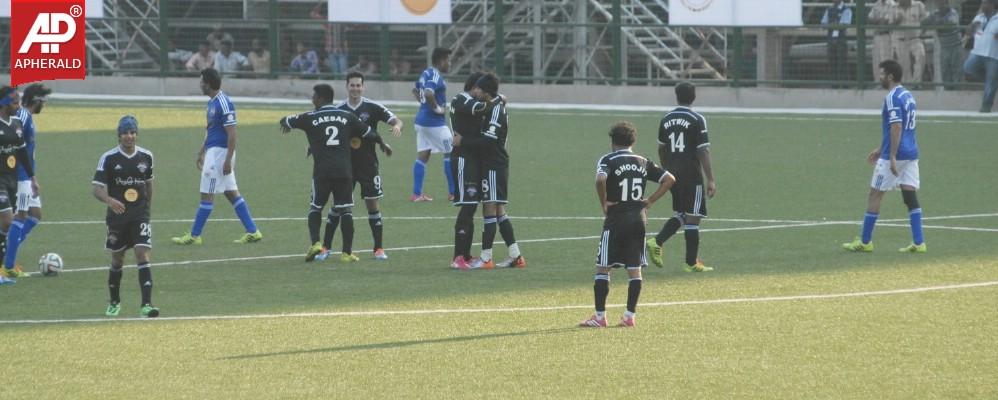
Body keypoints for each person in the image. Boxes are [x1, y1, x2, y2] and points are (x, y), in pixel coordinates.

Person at [580, 121, 675, 328]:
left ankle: (599, 316)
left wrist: (604, 201)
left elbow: (600, 180)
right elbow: (669, 179)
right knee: (634, 270)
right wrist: (650, 200)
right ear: (633, 141)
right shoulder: (643, 161)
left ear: (613, 141)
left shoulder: (608, 159)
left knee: (602, 268)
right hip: (638, 220)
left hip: (616, 220)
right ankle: (629, 316)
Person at [279, 84, 386, 262]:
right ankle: (346, 252)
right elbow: (369, 133)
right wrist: (382, 143)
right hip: (344, 170)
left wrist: (287, 124)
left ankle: (316, 243)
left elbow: (286, 120)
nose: (312, 99)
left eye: (314, 96)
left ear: (321, 98)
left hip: (321, 171)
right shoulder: (346, 116)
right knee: (346, 211)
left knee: (316, 207)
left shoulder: (310, 117)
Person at [843, 60, 926, 254]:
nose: (878, 77)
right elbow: (902, 126)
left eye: (881, 74)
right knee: (909, 195)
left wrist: (892, 155)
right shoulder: (908, 95)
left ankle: (865, 241)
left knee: (875, 194)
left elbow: (896, 126)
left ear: (889, 76)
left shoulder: (892, 97)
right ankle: (919, 242)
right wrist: (881, 148)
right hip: (911, 152)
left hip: (896, 155)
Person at [172, 69, 262, 246]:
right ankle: (253, 231)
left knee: (206, 195)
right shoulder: (211, 103)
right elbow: (211, 129)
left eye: (201, 81)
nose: (199, 84)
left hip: (220, 155)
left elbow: (232, 134)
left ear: (208, 83)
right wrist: (202, 150)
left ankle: (194, 235)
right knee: (231, 193)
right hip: (214, 153)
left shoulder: (224, 103)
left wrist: (227, 160)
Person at [316, 72, 401, 261]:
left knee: (372, 203)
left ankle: (378, 248)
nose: (355, 88)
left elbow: (396, 120)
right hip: (344, 166)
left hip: (368, 164)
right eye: (352, 85)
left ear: (363, 87)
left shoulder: (372, 107)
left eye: (358, 85)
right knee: (338, 206)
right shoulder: (339, 109)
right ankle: (326, 248)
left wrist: (396, 127)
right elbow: (322, 130)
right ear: (346, 87)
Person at [92, 116, 159, 317]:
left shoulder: (146, 156)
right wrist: (110, 200)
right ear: (119, 135)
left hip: (140, 214)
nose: (129, 136)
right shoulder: (109, 158)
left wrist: (147, 210)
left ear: (136, 134)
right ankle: (114, 302)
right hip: (117, 217)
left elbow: (148, 184)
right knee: (117, 260)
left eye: (132, 132)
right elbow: (96, 188)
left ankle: (146, 305)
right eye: (125, 133)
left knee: (142, 254)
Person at [645, 82, 716, 273]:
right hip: (691, 174)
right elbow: (703, 151)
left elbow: (661, 147)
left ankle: (657, 241)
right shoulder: (697, 119)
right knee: (694, 217)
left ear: (676, 96)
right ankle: (690, 262)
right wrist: (710, 178)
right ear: (693, 97)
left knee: (682, 214)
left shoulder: (666, 118)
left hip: (672, 173)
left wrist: (666, 169)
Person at [466, 74, 525, 270]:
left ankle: (485, 258)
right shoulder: (492, 106)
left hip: (494, 164)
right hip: (493, 164)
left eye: (478, 90)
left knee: (489, 209)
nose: (476, 93)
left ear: (486, 92)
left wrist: (463, 143)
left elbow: (489, 140)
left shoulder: (495, 111)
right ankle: (516, 256)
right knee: (499, 211)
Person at [6, 84, 49, 275]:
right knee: (21, 216)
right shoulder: (21, 116)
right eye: (43, 102)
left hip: (27, 176)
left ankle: (8, 251)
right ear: (36, 101)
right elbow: (12, 144)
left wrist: (34, 177)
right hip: (19, 176)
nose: (44, 106)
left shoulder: (27, 117)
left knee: (35, 215)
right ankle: (8, 266)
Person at [448, 71, 488, 269]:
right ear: (475, 87)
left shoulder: (470, 101)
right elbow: (480, 108)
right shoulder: (461, 99)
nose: (484, 93)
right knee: (467, 206)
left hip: (472, 159)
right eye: (483, 89)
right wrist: (498, 100)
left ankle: (466, 254)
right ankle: (457, 257)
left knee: (471, 207)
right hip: (462, 160)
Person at [410, 47, 456, 202]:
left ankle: (416, 194)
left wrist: (424, 105)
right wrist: (437, 108)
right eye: (448, 60)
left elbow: (415, 90)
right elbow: (429, 93)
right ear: (441, 60)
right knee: (451, 151)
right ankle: (453, 193)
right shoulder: (435, 75)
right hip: (433, 122)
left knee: (424, 154)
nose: (449, 63)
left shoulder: (426, 73)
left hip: (421, 121)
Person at [0, 87, 35, 284]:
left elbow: (22, 152)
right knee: (7, 220)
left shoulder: (16, 124)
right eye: (14, 103)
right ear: (4, 104)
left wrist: (32, 178)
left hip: (12, 180)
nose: (18, 106)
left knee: (5, 225)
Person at [964, 0, 998, 112]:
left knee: (990, 83)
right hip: (977, 52)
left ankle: (986, 107)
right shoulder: (978, 17)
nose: (983, 5)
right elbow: (969, 32)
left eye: (985, 3)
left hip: (993, 55)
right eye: (982, 3)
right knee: (967, 69)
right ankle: (991, 80)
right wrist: (972, 27)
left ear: (992, 5)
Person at [922, 0, 963, 86]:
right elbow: (924, 22)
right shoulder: (935, 14)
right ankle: (948, 93)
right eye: (939, 3)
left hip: (956, 46)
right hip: (944, 47)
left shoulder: (953, 12)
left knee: (956, 71)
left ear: (947, 4)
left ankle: (957, 93)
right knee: (945, 71)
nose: (941, 5)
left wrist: (937, 24)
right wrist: (935, 23)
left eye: (944, 3)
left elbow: (950, 25)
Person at [894, 0, 929, 83]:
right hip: (900, 39)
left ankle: (916, 83)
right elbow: (888, 24)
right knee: (904, 65)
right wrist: (896, 21)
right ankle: (907, 84)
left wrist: (922, 32)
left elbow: (926, 20)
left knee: (921, 56)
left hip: (915, 38)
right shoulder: (893, 7)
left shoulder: (918, 5)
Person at [821, 0, 853, 83]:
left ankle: (844, 84)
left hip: (841, 40)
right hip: (831, 40)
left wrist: (831, 25)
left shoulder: (847, 10)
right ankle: (833, 84)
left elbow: (844, 25)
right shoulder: (829, 9)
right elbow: (823, 24)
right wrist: (835, 24)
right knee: (831, 63)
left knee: (842, 63)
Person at [869, 0, 898, 81]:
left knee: (886, 61)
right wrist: (878, 21)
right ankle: (877, 83)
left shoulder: (892, 4)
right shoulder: (876, 4)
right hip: (876, 36)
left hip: (887, 36)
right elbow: (869, 19)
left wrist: (878, 21)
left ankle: (887, 83)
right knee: (876, 61)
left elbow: (887, 22)